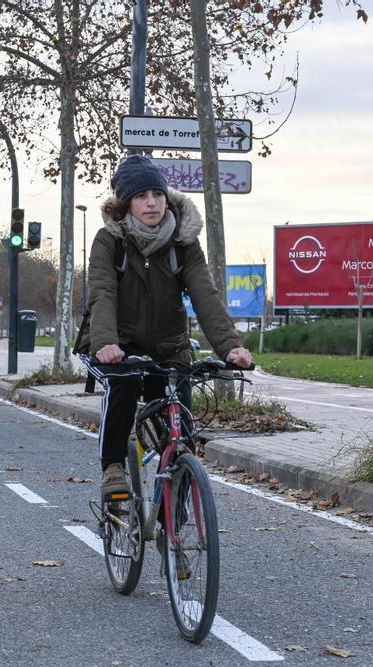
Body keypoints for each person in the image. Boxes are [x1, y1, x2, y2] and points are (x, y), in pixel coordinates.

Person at [76, 154, 252, 498]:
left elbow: (205, 294)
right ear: (126, 203)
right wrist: (106, 343)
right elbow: (102, 293)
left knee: (179, 427)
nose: (152, 202)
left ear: (166, 197)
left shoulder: (183, 242)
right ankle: (114, 466)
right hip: (120, 347)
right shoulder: (109, 241)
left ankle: (175, 505)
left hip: (169, 347)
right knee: (123, 389)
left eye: (157, 194)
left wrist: (229, 345)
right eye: (141, 196)